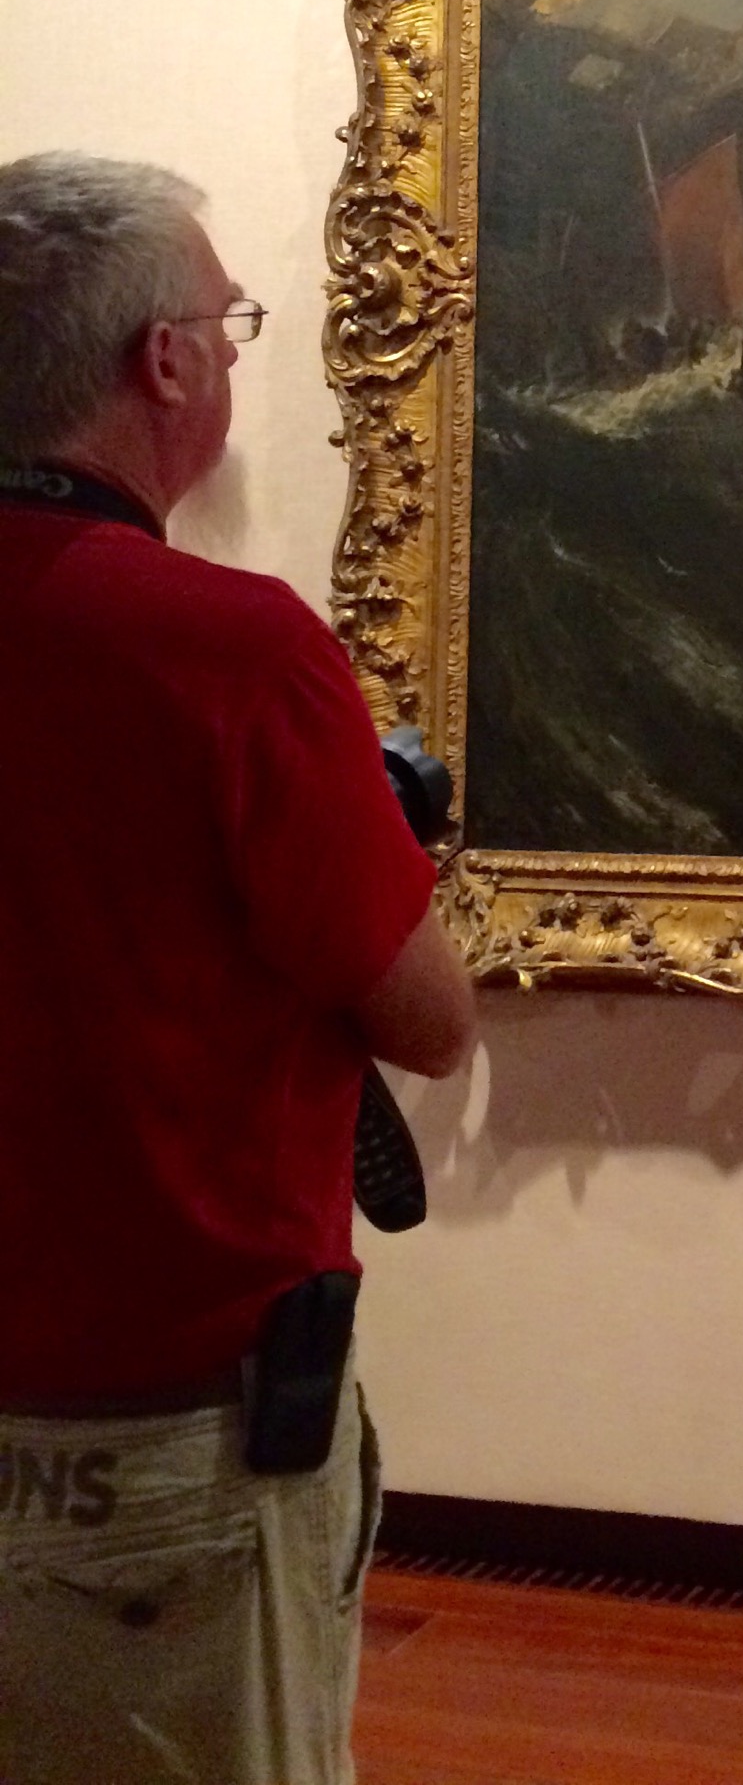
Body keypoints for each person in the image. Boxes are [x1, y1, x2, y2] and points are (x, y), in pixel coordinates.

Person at [0, 153, 477, 1785]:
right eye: (229, 322)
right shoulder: (231, 649)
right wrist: (380, 830)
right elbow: (428, 1021)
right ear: (166, 361)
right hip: (167, 1432)